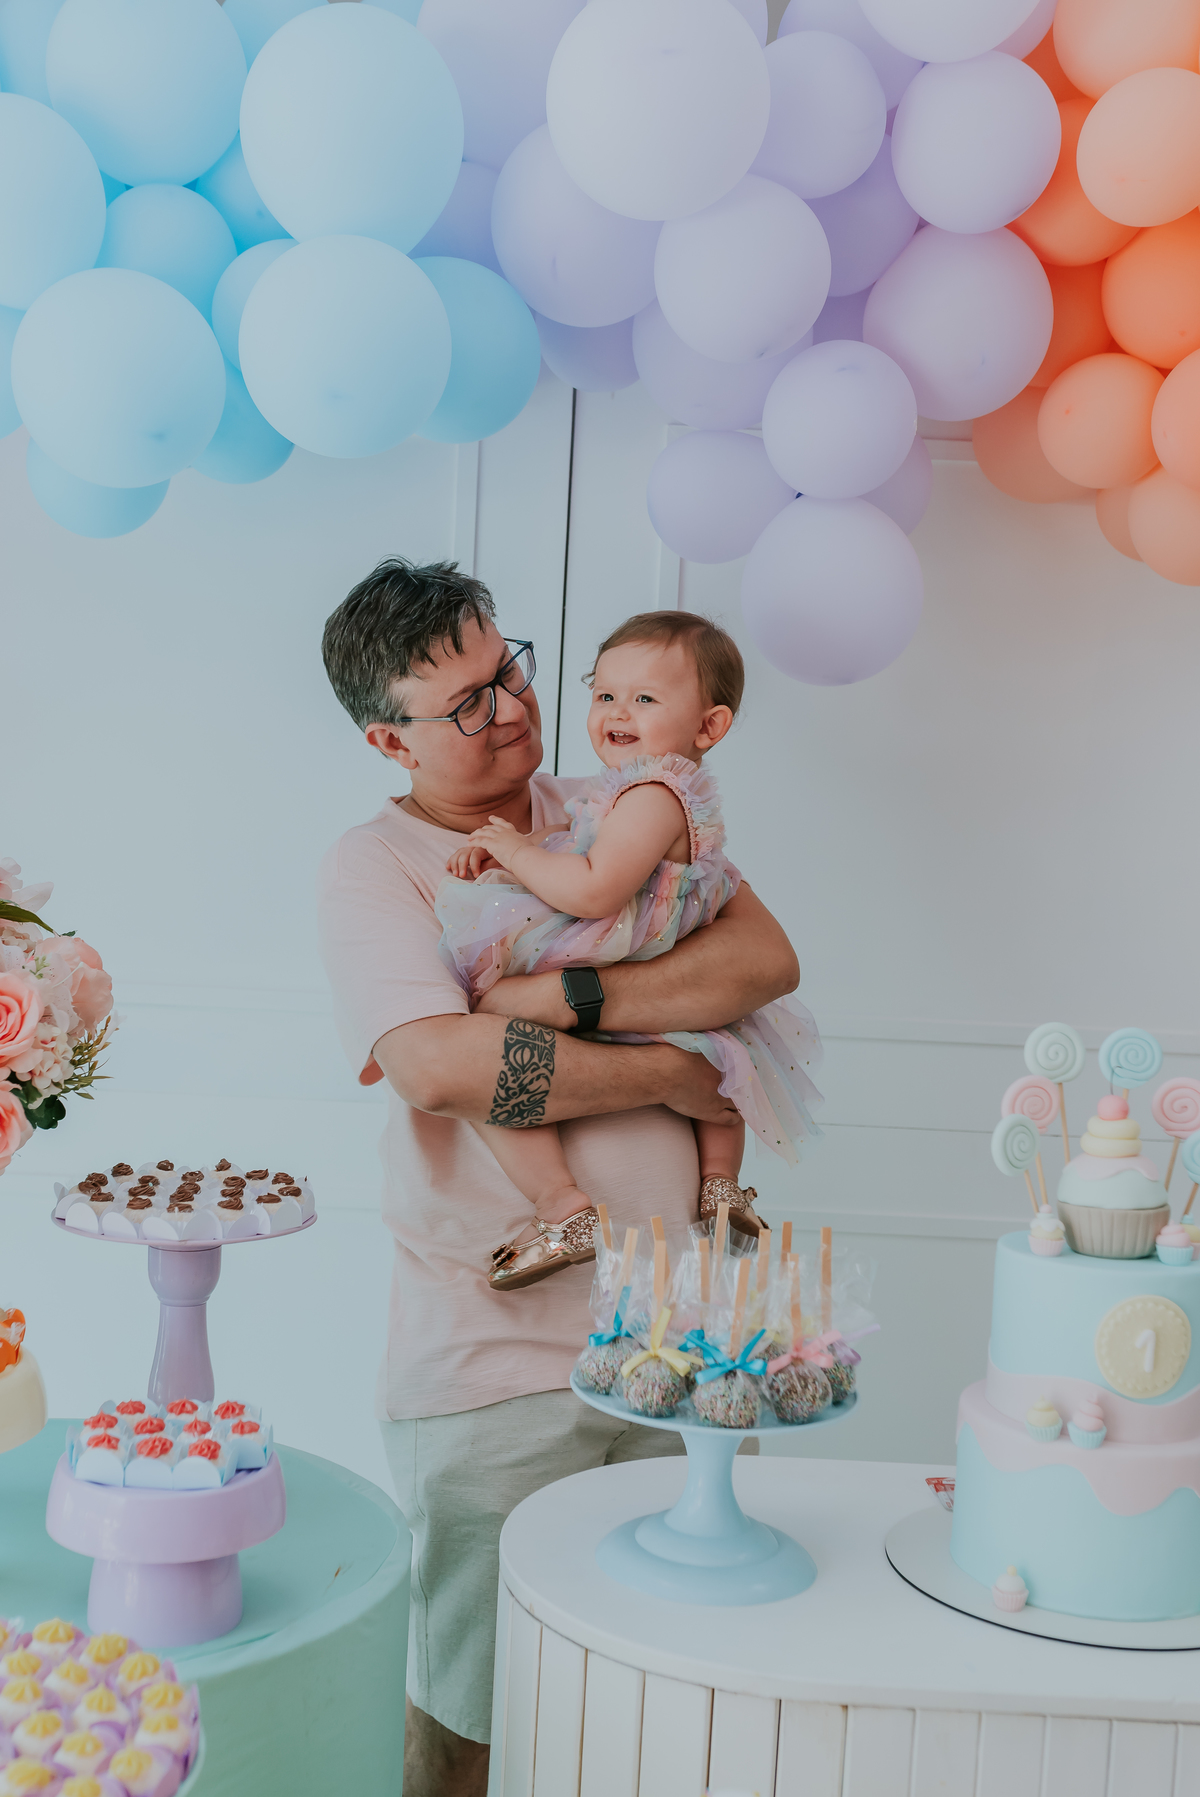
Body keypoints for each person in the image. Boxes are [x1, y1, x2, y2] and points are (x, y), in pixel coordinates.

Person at [317, 558, 802, 1797]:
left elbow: (758, 963)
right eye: (468, 704)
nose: (516, 712)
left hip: (682, 1343)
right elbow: (433, 1062)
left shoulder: (618, 801)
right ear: (389, 738)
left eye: (511, 671)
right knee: (470, 1711)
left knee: (671, 1692)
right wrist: (660, 1077)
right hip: (493, 1365)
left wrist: (564, 1000)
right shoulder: (376, 869)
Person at [436, 609, 822, 1291]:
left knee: (491, 1027)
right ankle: (721, 1186)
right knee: (718, 1041)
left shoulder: (652, 793)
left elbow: (590, 888)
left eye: (644, 698)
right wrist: (506, 861)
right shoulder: (628, 792)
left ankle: (561, 1203)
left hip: (613, 949)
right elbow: (581, 856)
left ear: (709, 727)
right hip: (646, 961)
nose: (617, 711)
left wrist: (516, 852)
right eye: (604, 693)